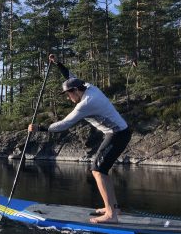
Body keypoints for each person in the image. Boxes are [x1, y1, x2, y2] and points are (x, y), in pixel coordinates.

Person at [28, 54, 132, 224]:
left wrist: (40, 128)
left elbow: (63, 124)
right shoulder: (87, 87)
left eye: (69, 95)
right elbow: (70, 76)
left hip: (118, 134)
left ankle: (111, 215)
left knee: (97, 170)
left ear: (76, 91)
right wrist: (57, 63)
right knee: (101, 169)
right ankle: (113, 207)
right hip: (116, 133)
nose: (69, 98)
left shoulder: (86, 104)